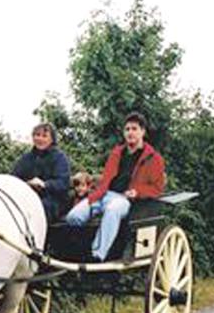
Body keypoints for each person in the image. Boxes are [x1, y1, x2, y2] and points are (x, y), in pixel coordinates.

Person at [66, 112, 165, 262]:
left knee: (113, 210)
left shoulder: (153, 158)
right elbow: (106, 178)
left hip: (125, 199)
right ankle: (80, 253)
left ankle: (97, 255)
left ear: (143, 132)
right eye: (127, 129)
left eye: (134, 129)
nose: (130, 132)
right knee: (73, 217)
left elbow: (157, 188)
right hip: (104, 195)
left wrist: (137, 192)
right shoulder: (117, 153)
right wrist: (95, 191)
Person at [13, 123, 70, 222]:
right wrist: (27, 184)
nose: (40, 138)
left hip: (53, 200)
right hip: (28, 196)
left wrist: (44, 184)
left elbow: (63, 183)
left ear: (52, 139)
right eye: (37, 135)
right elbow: (14, 178)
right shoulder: (26, 158)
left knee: (38, 208)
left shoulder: (59, 158)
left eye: (44, 136)